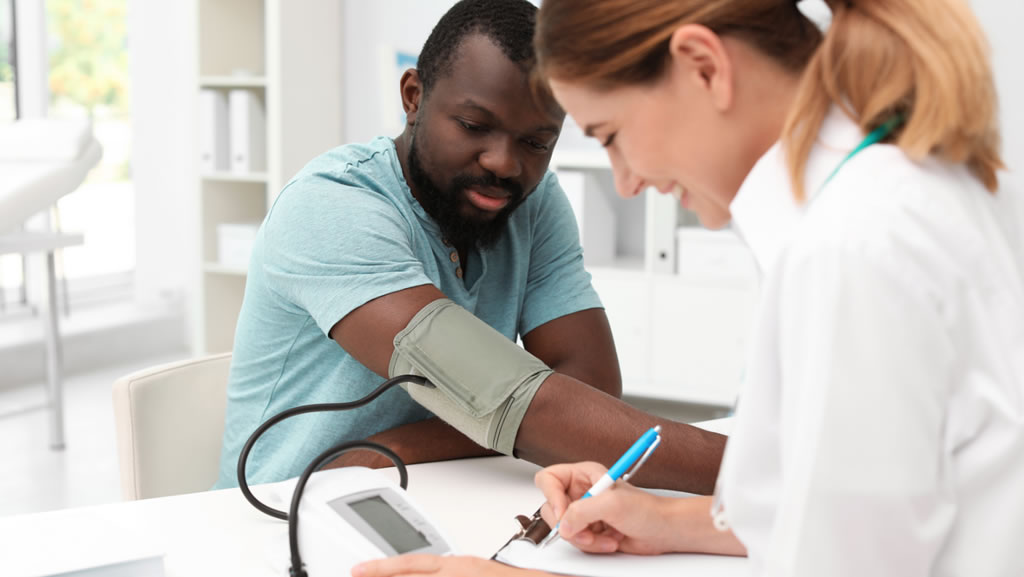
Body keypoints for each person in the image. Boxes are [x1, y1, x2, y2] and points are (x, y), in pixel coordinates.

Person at [352, 0, 1024, 575]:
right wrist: (669, 520)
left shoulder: (849, 247)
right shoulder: (915, 188)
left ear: (704, 67)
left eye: (613, 135)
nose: (626, 182)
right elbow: (863, 513)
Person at [213, 0, 726, 493]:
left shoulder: (534, 202)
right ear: (413, 96)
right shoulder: (331, 208)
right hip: (287, 508)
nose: (504, 162)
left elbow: (588, 386)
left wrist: (398, 446)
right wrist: (748, 474)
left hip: (433, 484)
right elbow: (525, 407)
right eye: (474, 126)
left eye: (536, 143)